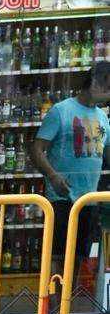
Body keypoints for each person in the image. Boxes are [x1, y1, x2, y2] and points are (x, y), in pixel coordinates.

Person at [29, 61, 110, 294]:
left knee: (76, 255)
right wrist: (53, 177)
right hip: (61, 196)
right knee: (57, 253)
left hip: (89, 199)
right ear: (95, 83)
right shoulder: (60, 111)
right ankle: (53, 307)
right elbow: (37, 149)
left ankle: (65, 305)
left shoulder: (103, 118)